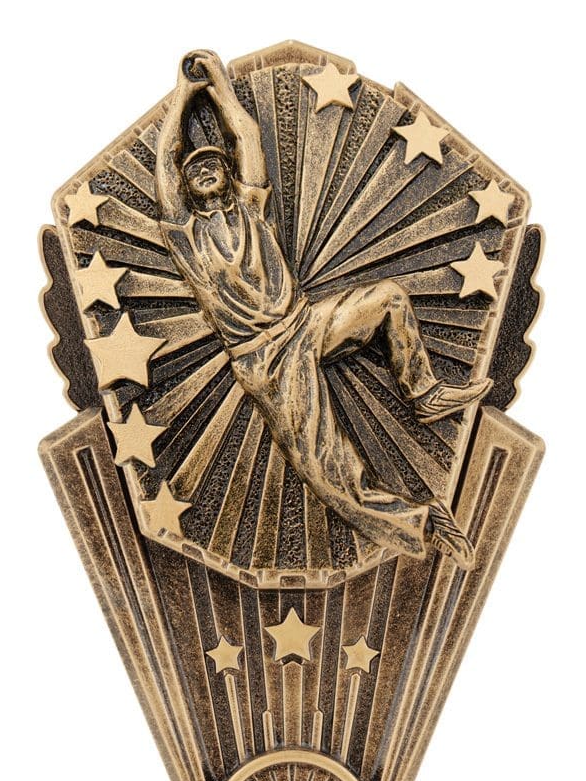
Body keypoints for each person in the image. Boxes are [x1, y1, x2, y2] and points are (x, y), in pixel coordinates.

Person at [156, 50, 492, 568]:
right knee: (323, 466)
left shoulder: (251, 208)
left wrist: (220, 84)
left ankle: (424, 392)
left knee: (389, 297)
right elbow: (165, 160)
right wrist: (182, 95)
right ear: (185, 187)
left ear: (228, 175)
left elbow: (247, 136)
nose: (202, 170)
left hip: (305, 322)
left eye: (211, 164)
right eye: (193, 169)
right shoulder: (185, 237)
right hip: (264, 358)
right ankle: (421, 523)